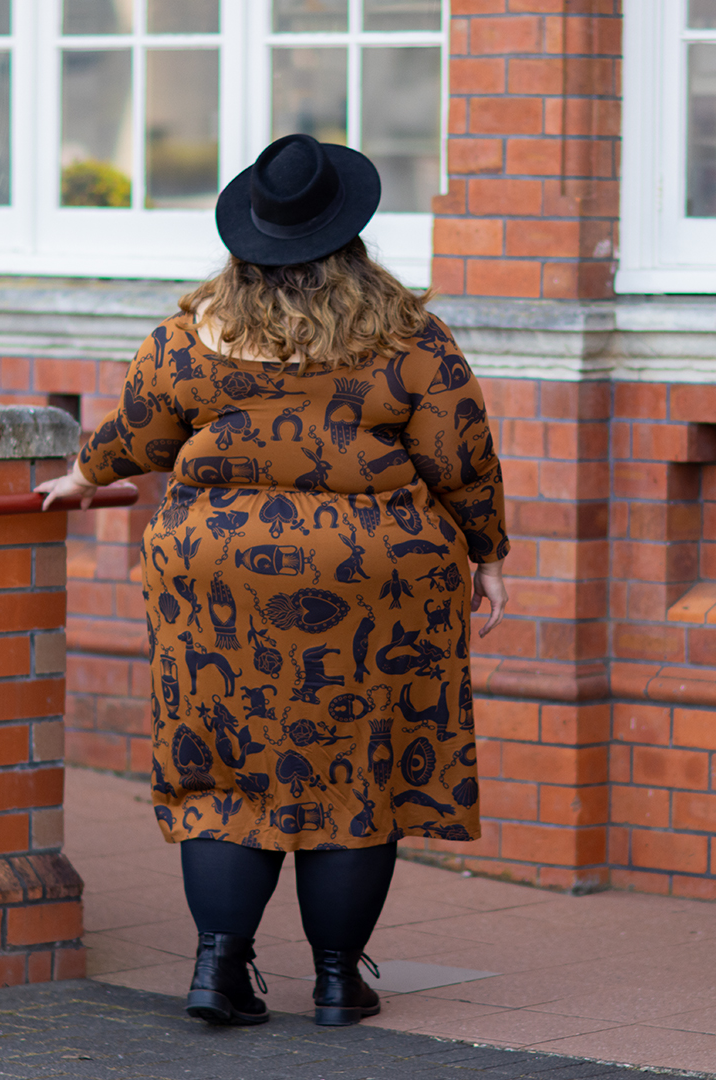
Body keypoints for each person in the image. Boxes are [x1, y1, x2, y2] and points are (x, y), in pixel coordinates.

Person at [37, 133, 510, 1028]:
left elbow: (138, 430)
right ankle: (337, 981)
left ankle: (220, 970)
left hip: (216, 578)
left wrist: (85, 475)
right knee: (359, 772)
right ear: (351, 237)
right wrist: (487, 554)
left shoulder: (192, 335)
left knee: (220, 766)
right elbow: (461, 457)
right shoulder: (411, 337)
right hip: (376, 581)